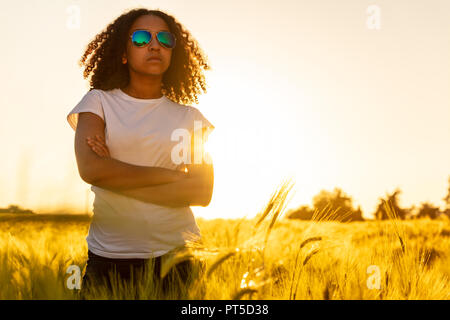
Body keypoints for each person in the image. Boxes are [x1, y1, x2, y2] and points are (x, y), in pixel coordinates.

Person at [66, 8, 214, 299]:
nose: (154, 45)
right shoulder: (97, 102)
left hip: (176, 259)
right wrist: (171, 178)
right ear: (123, 53)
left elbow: (201, 191)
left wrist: (114, 175)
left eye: (164, 39)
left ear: (174, 53)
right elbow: (91, 170)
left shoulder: (190, 118)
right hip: (108, 259)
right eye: (142, 37)